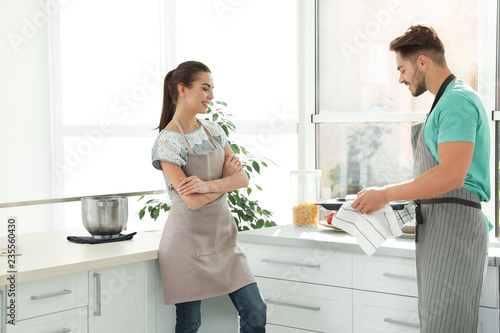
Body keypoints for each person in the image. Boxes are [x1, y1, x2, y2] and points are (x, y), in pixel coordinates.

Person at [351, 25, 491, 332]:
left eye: (402, 68)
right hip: (441, 226)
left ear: (423, 62)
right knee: (437, 323)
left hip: (453, 229)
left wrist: (386, 194)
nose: (400, 78)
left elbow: (452, 175)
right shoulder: (444, 102)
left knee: (446, 325)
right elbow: (436, 178)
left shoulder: (457, 101)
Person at [151, 60, 266, 333]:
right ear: (183, 89)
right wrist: (223, 181)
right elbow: (191, 202)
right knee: (191, 324)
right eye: (205, 88)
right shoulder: (167, 142)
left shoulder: (214, 131)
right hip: (186, 246)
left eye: (212, 88)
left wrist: (205, 185)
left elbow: (243, 179)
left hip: (223, 239)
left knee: (256, 310)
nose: (211, 96)